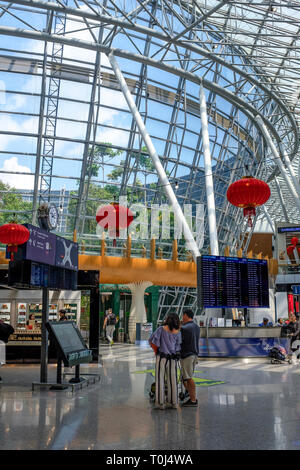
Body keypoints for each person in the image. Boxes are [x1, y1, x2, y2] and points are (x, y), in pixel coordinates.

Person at [149, 313, 181, 410]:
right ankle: (174, 402)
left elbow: (152, 340)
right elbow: (178, 346)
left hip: (161, 358)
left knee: (160, 380)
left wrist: (157, 350)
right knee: (173, 381)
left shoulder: (161, 329)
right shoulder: (178, 332)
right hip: (173, 359)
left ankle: (160, 403)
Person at [180, 309, 200, 407]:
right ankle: (189, 392)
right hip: (194, 354)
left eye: (183, 315)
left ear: (186, 315)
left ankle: (193, 400)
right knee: (183, 378)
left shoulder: (184, 328)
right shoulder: (196, 327)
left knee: (188, 378)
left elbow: (180, 342)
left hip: (187, 355)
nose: (182, 318)